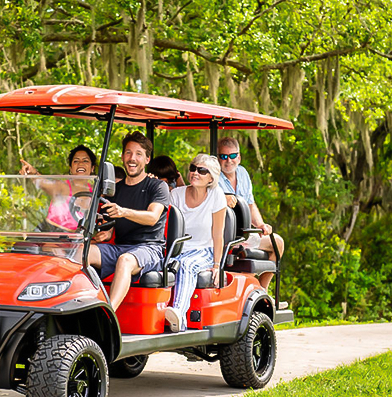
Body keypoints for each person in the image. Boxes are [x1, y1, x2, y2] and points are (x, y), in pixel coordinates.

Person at [87, 132, 170, 310]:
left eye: (138, 154)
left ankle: (108, 316)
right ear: (123, 156)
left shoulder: (157, 186)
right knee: (81, 253)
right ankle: (77, 308)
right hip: (120, 247)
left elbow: (152, 218)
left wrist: (123, 212)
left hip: (149, 248)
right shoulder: (116, 189)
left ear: (147, 159)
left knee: (125, 260)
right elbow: (110, 227)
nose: (132, 158)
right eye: (128, 153)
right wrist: (104, 234)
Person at [164, 154, 227, 332]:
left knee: (186, 265)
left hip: (204, 250)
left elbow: (218, 234)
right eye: (193, 168)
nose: (195, 173)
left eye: (202, 170)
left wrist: (217, 265)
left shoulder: (216, 195)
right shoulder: (176, 195)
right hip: (177, 250)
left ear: (211, 178)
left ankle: (178, 314)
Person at [217, 137, 284, 289]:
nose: (228, 160)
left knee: (278, 243)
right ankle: (248, 289)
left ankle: (261, 290)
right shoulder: (213, 177)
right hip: (223, 236)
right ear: (218, 158)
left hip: (244, 234)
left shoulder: (242, 173)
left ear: (239, 157)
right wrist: (222, 198)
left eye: (232, 155)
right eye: (224, 156)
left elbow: (250, 205)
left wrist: (260, 224)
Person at [20, 145, 96, 231]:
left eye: (85, 161)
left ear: (92, 168)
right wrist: (32, 173)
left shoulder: (95, 192)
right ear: (71, 169)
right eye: (76, 161)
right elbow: (43, 183)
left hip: (77, 237)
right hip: (51, 233)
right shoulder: (62, 186)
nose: (81, 163)